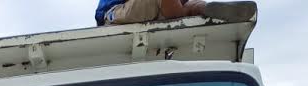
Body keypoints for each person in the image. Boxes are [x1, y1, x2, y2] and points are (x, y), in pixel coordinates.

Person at [95, 0, 257, 26]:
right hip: (115, 13)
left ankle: (203, 8)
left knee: (194, 2)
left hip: (160, 11)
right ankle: (197, 9)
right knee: (193, 5)